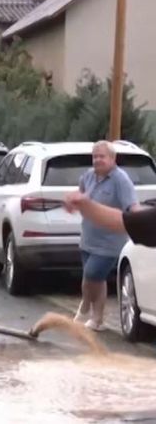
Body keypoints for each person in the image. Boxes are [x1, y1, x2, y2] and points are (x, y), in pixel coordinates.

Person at [63, 141, 139, 331]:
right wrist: (74, 201)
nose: (97, 160)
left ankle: (84, 307)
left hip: (110, 242)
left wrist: (141, 224)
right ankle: (97, 320)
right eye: (95, 156)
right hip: (88, 238)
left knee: (92, 274)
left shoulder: (121, 180)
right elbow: (81, 196)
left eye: (102, 156)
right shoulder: (88, 176)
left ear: (112, 159)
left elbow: (132, 207)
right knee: (97, 280)